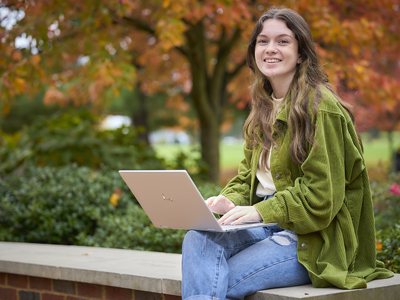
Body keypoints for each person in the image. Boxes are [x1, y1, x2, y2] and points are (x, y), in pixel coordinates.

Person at [181, 7, 394, 300]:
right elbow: (248, 179)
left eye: (283, 41)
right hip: (267, 226)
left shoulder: (322, 109)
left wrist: (260, 211)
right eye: (262, 41)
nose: (271, 49)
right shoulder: (262, 108)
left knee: (218, 280)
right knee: (198, 239)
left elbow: (322, 196)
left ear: (301, 53)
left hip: (312, 240)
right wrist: (228, 200)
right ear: (253, 50)